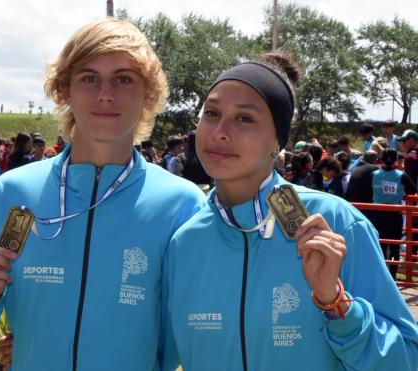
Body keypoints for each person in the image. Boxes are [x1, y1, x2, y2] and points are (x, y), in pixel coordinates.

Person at [0, 18, 205, 370]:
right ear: (65, 90)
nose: (105, 93)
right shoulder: (12, 193)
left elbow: (200, 330)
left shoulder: (183, 205)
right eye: (89, 78)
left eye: (123, 78)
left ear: (149, 94)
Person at [160, 53, 418, 370]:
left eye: (245, 118)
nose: (220, 131)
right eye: (211, 113)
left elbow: (407, 359)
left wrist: (336, 303)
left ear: (277, 141)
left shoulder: (336, 224)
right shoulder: (184, 242)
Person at [371, 148, 417, 280]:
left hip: (378, 213)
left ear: (382, 159)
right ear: (396, 160)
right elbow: (413, 189)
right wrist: (402, 194)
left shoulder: (374, 174)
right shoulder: (401, 175)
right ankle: (392, 276)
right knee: (394, 246)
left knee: (381, 245)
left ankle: (382, 275)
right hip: (394, 214)